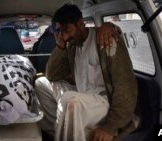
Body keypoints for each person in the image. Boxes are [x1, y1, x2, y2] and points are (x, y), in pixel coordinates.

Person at [34, 3, 138, 141]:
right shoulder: (71, 46)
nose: (64, 37)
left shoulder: (106, 39)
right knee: (41, 83)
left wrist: (110, 127)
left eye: (67, 30)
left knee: (69, 100)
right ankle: (57, 132)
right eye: (59, 32)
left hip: (103, 101)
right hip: (80, 94)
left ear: (81, 24)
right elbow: (52, 75)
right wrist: (60, 46)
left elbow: (126, 86)